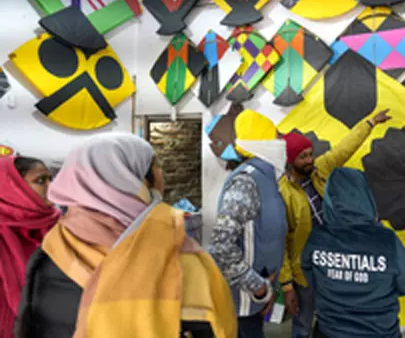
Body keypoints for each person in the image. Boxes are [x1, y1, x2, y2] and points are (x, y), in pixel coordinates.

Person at [13, 133, 236, 338]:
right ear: (133, 178)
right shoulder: (177, 254)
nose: (162, 174)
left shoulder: (51, 249)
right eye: (156, 165)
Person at [279, 110, 392, 337]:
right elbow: (281, 242)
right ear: (291, 161)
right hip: (305, 271)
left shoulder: (320, 170)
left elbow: (344, 148)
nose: (309, 160)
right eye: (303, 157)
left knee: (334, 319)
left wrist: (369, 123)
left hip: (332, 263)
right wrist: (287, 285)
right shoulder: (283, 193)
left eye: (310, 154)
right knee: (302, 323)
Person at [301, 167, 405, 338]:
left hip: (330, 332)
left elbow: (309, 275)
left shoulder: (318, 238)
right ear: (366, 196)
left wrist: (337, 283)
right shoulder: (387, 240)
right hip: (379, 332)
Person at [209, 109, 288, 338]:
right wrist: (258, 286)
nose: (280, 142)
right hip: (242, 302)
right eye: (275, 136)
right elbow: (221, 244)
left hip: (256, 299)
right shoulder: (247, 180)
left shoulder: (268, 180)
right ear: (262, 142)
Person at [0, 156, 60, 338]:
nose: (51, 186)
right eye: (40, 180)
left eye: (51, 179)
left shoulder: (60, 226)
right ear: (13, 187)